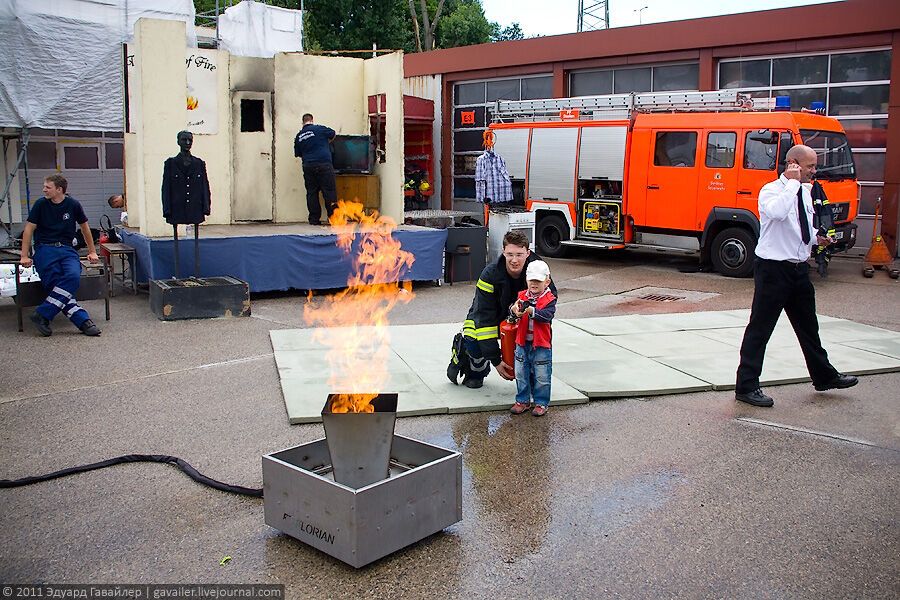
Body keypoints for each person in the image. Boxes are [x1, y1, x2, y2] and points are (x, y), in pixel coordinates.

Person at [734, 145, 857, 407]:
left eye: (814, 166)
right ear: (793, 164)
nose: (814, 171)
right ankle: (746, 386)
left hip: (799, 269)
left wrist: (817, 238)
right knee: (760, 328)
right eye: (810, 166)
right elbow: (777, 214)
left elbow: (800, 228)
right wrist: (791, 183)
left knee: (809, 327)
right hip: (773, 270)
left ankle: (824, 376)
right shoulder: (772, 190)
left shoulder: (805, 191)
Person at [447, 230, 555, 389]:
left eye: (519, 254)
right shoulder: (490, 274)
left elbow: (549, 305)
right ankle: (476, 367)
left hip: (523, 320)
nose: (514, 260)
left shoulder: (539, 270)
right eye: (510, 254)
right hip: (490, 317)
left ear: (528, 253)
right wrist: (496, 360)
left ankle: (531, 371)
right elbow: (484, 317)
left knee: (536, 334)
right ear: (503, 252)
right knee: (472, 334)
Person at [19, 174, 101, 337]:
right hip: (45, 250)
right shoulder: (41, 204)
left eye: (47, 187)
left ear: (59, 189)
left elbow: (85, 228)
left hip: (67, 249)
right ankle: (83, 321)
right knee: (55, 283)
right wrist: (24, 256)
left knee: (73, 276)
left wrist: (92, 251)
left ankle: (42, 314)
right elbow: (28, 229)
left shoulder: (73, 205)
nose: (44, 190)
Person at [509, 260, 557, 417]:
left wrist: (530, 310)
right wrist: (514, 310)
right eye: (531, 280)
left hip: (541, 345)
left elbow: (546, 316)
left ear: (547, 281)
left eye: (538, 280)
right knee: (521, 373)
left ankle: (541, 402)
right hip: (522, 343)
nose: (534, 283)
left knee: (542, 374)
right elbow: (513, 310)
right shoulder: (521, 296)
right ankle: (522, 400)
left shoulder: (550, 299)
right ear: (527, 280)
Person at [294, 113, 337, 226]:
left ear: (303, 122)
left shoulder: (299, 136)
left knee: (312, 193)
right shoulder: (319, 129)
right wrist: (327, 143)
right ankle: (334, 219)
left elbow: (298, 153)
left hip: (308, 166)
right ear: (312, 120)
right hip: (324, 164)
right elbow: (333, 133)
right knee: (329, 192)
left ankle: (314, 220)